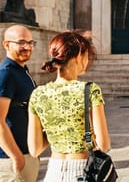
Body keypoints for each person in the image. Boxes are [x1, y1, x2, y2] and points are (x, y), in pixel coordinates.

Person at [27, 30, 111, 181]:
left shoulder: (38, 94)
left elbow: (34, 149)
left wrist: (57, 128)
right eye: (87, 56)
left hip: (53, 173)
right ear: (79, 55)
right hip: (83, 171)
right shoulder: (90, 90)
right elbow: (103, 144)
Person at [0, 25, 40, 182]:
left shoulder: (21, 71)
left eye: (30, 43)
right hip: (11, 157)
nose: (27, 47)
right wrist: (16, 156)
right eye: (21, 42)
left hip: (26, 152)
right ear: (6, 44)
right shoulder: (5, 74)